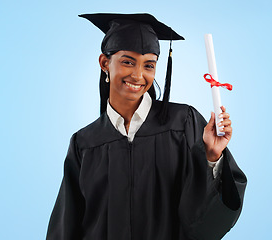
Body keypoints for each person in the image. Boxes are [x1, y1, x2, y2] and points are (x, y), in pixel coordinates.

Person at [46, 13, 247, 240]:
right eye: (128, 62)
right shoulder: (85, 143)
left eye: (149, 65)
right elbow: (67, 224)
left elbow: (203, 220)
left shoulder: (183, 122)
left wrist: (211, 156)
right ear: (105, 63)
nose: (138, 75)